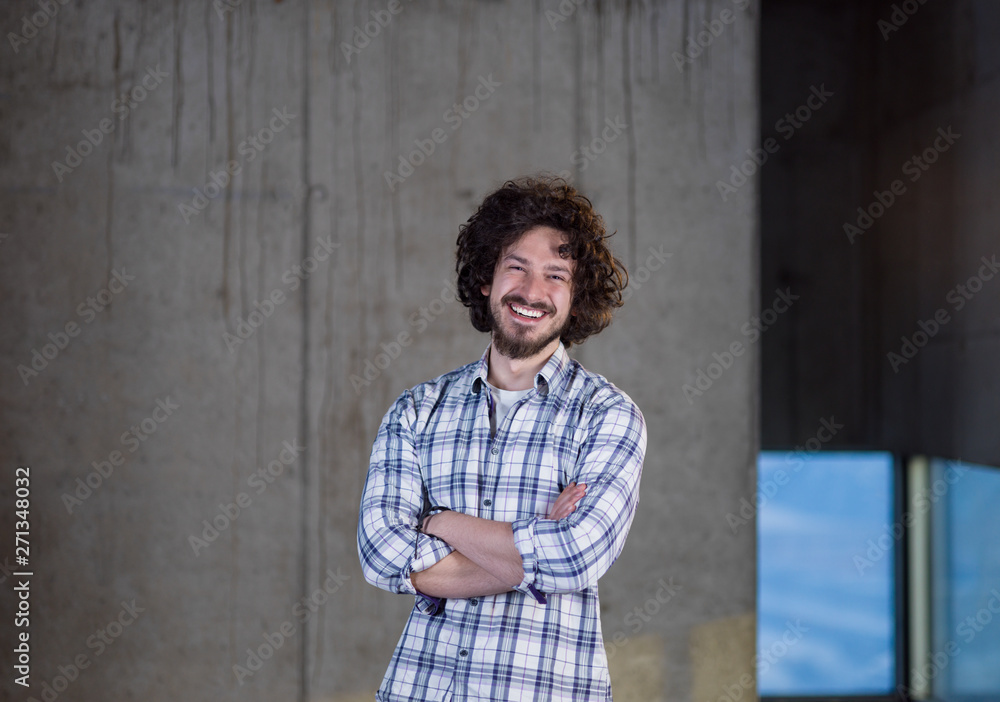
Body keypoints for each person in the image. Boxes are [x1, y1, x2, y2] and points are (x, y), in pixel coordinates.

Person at [357, 175, 646, 701]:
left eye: (556, 275)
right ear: (487, 277)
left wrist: (439, 524)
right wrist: (534, 549)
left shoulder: (607, 415)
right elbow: (380, 553)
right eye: (517, 266)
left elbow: (577, 557)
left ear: (577, 298)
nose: (533, 292)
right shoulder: (417, 410)